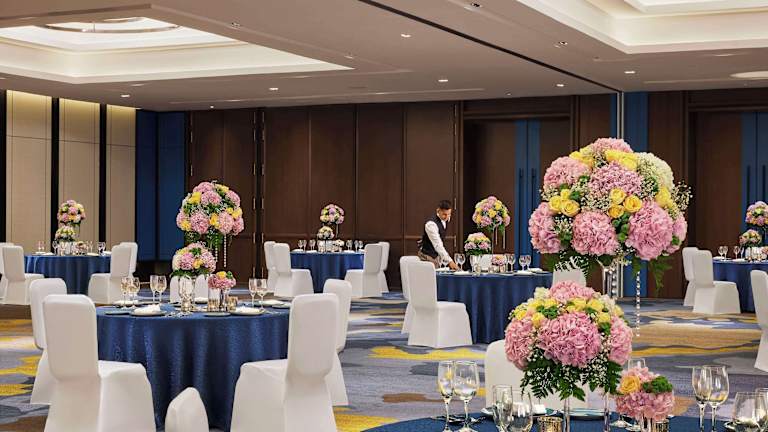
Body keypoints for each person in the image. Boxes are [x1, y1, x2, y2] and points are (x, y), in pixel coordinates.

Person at [418, 200, 459, 270]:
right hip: (427, 256)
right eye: (444, 214)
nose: (447, 217)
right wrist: (450, 261)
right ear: (438, 211)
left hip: (436, 256)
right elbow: (437, 244)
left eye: (449, 214)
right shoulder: (431, 224)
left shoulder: (446, 218)